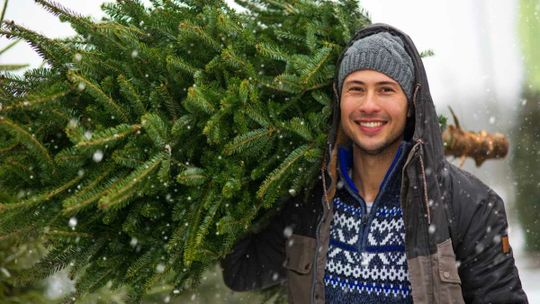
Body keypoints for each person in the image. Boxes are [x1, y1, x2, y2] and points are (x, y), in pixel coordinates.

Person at [221, 23, 528, 304]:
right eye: (356, 89)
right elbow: (243, 271)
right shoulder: (312, 200)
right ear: (339, 101)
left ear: (410, 106)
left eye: (385, 90)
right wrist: (228, 172)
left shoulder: (468, 206)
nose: (369, 105)